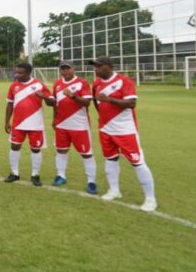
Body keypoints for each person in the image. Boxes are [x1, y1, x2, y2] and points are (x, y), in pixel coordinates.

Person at [90, 56, 157, 212]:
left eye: (99, 66)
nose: (96, 69)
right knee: (110, 159)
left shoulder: (124, 81)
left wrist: (109, 99)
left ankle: (150, 199)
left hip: (125, 130)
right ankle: (114, 190)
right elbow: (96, 102)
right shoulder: (97, 83)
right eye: (95, 67)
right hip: (105, 129)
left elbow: (131, 103)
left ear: (109, 67)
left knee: (137, 162)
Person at [4, 63, 55, 186]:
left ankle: (35, 175)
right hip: (17, 123)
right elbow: (10, 104)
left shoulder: (39, 84)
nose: (17, 75)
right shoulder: (14, 85)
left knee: (35, 149)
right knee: (14, 146)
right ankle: (14, 173)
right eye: (16, 72)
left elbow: (52, 102)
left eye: (20, 73)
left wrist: (44, 96)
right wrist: (7, 121)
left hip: (35, 124)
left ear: (28, 73)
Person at [51, 61, 98, 194]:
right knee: (61, 150)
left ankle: (91, 182)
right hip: (61, 125)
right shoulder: (57, 84)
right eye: (63, 69)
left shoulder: (82, 83)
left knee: (86, 154)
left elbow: (87, 103)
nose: (65, 71)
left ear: (73, 69)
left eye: (68, 68)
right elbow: (56, 104)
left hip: (79, 125)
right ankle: (61, 175)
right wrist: (55, 118)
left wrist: (73, 96)